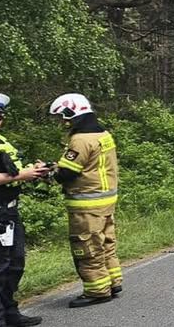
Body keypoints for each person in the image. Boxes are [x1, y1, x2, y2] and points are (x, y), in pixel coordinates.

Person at [0, 88, 47, 327]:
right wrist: (20, 176)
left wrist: (34, 171)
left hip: (9, 211)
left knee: (15, 263)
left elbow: (13, 170)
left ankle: (9, 312)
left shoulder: (1, 141)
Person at [49, 94, 122, 308]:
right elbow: (90, 165)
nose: (63, 122)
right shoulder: (103, 134)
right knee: (106, 243)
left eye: (64, 116)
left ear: (73, 112)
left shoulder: (80, 139)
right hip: (106, 200)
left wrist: (49, 173)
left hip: (86, 204)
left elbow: (67, 174)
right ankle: (113, 281)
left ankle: (97, 290)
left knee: (87, 246)